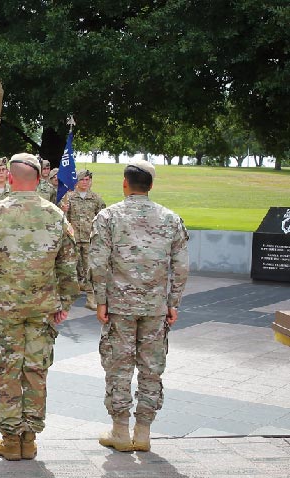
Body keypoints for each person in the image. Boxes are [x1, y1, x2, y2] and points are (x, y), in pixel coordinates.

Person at [0, 153, 79, 461]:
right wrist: (65, 301)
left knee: (6, 370)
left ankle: (10, 438)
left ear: (12, 178)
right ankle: (28, 438)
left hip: (5, 308)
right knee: (35, 369)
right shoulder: (56, 215)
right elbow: (70, 264)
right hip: (42, 308)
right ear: (40, 179)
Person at [89, 158, 188, 453]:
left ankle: (121, 430)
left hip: (119, 307)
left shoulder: (108, 217)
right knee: (151, 368)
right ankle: (143, 432)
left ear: (124, 183)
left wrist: (101, 300)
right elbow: (181, 267)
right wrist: (174, 302)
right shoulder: (171, 219)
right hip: (155, 307)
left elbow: (97, 263)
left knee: (118, 366)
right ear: (151, 186)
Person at [59, 170, 105, 310]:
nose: (85, 182)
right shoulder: (70, 198)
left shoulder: (96, 198)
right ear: (76, 181)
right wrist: (64, 210)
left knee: (90, 269)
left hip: (89, 239)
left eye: (87, 179)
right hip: (73, 239)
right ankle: (68, 298)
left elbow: (102, 217)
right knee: (70, 268)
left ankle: (91, 299)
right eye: (82, 180)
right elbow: (63, 219)